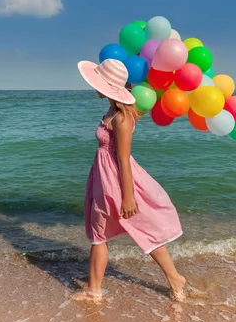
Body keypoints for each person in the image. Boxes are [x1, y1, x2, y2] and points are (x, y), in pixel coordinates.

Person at [73, 58, 186, 302]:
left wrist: (128, 196)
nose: (94, 87)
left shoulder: (122, 118)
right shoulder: (111, 112)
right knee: (98, 233)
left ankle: (174, 278)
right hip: (102, 178)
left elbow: (123, 160)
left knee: (141, 228)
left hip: (115, 180)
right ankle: (94, 290)